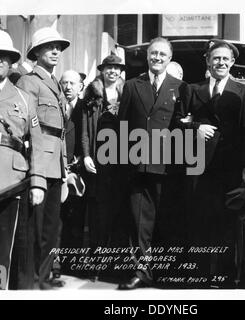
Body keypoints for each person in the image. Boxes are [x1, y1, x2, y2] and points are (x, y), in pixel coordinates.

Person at [181, 39, 245, 288]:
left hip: (230, 169)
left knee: (226, 224)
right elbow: (179, 123)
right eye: (216, 58)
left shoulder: (242, 91)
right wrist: (196, 127)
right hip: (199, 168)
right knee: (199, 222)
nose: (221, 62)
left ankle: (225, 278)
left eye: (225, 59)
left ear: (232, 62)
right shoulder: (193, 89)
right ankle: (200, 278)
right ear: (208, 61)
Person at [117, 37, 190, 289]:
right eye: (153, 53)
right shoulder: (131, 85)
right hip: (137, 165)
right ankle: (141, 271)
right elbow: (122, 127)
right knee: (139, 221)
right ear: (147, 56)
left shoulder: (181, 87)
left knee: (167, 220)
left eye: (162, 54)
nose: (157, 58)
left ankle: (167, 272)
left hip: (169, 166)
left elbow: (185, 127)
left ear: (170, 59)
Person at [0, 29, 46, 289]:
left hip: (9, 184)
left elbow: (38, 143)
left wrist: (38, 181)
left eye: (4, 56)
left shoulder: (25, 99)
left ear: (11, 61)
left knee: (0, 253)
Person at [16, 27, 70, 290]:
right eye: (50, 47)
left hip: (56, 163)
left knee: (51, 227)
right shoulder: (29, 81)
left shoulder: (54, 82)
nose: (56, 51)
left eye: (59, 47)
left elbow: (60, 132)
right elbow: (31, 126)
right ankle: (33, 281)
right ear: (36, 52)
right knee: (35, 229)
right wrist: (36, 172)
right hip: (39, 162)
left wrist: (65, 168)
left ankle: (44, 276)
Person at [82, 55, 126, 280]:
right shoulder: (92, 93)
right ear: (103, 70)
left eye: (116, 68)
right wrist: (87, 155)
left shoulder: (126, 92)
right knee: (98, 213)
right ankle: (95, 264)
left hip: (120, 160)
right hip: (99, 161)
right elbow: (85, 130)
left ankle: (113, 265)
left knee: (117, 212)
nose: (113, 72)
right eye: (109, 68)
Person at [54, 70, 87, 278]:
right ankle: (54, 263)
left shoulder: (86, 108)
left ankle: (71, 262)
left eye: (72, 83)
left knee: (75, 217)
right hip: (56, 169)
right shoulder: (55, 105)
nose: (68, 87)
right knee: (55, 218)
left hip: (78, 170)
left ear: (80, 87)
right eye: (64, 82)